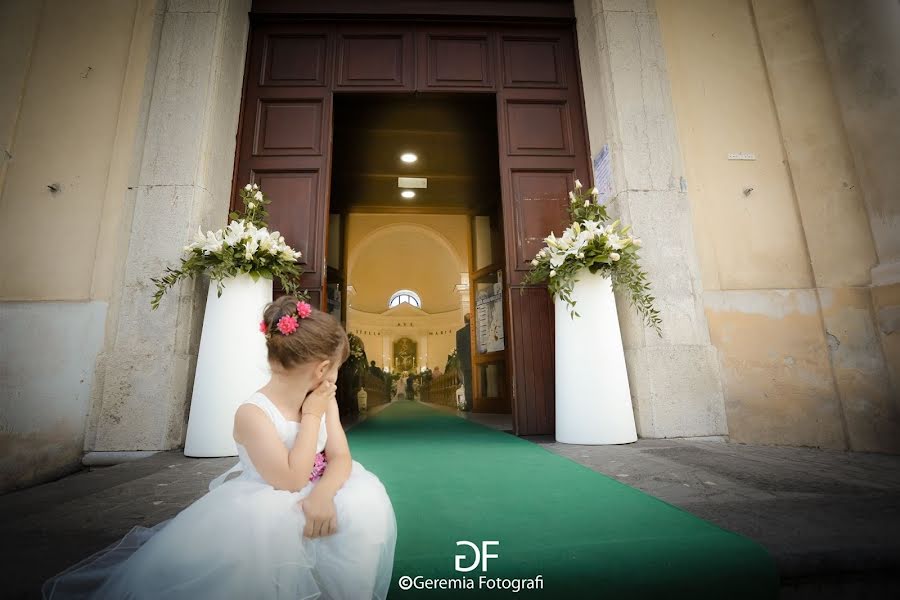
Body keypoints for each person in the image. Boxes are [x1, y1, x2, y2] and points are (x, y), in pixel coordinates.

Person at [42, 296, 397, 600]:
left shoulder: (322, 399)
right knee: (267, 548)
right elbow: (290, 480)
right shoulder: (253, 415)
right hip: (265, 505)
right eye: (336, 369)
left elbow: (340, 456)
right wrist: (311, 417)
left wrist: (324, 494)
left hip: (317, 488)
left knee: (362, 507)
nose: (336, 377)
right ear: (322, 369)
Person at [456, 313, 473, 408]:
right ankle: (480, 403)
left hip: (465, 362)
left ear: (464, 321)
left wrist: (461, 363)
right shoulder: (476, 329)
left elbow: (459, 350)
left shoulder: (459, 332)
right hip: (478, 361)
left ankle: (470, 404)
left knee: (468, 383)